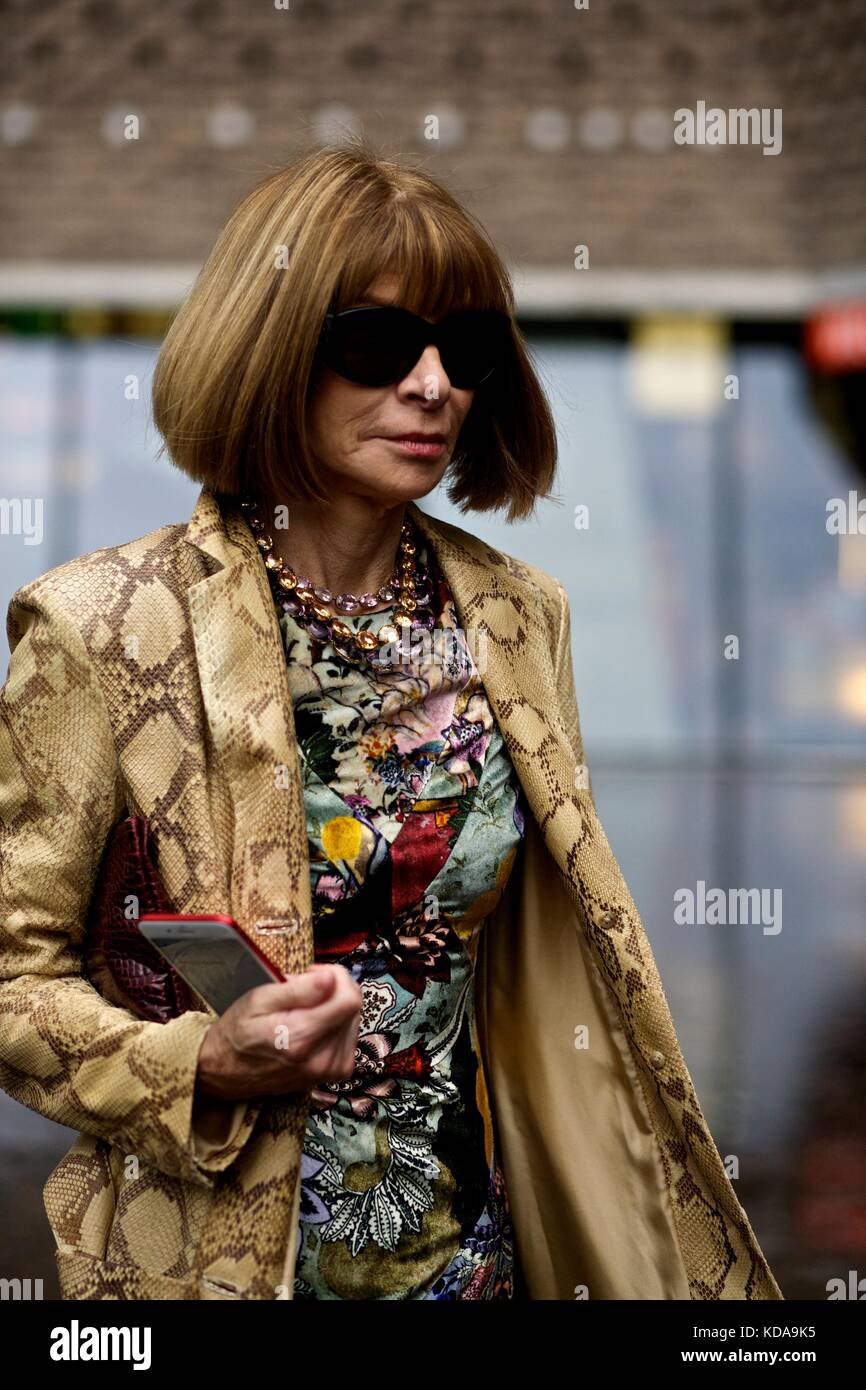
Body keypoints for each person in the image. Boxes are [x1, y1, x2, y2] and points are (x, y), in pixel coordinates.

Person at [0, 142, 783, 1300]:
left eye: (462, 349)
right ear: (270, 348)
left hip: (475, 1262)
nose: (431, 385)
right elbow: (14, 976)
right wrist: (199, 1060)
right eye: (376, 344)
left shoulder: (522, 616)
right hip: (207, 1271)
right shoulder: (101, 625)